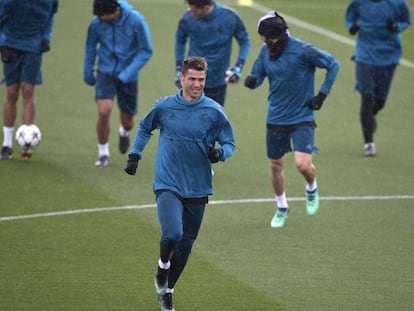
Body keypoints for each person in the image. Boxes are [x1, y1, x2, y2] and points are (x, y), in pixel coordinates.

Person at [124, 57, 235, 311]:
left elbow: (229, 143)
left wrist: (220, 154)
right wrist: (134, 155)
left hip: (198, 185)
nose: (197, 84)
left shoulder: (214, 111)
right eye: (193, 79)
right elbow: (144, 128)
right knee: (172, 233)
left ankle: (168, 291)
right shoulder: (164, 107)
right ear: (182, 78)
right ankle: (163, 265)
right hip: (168, 181)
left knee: (186, 244)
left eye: (202, 80)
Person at [244, 11, 340, 228]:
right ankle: (282, 207)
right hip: (276, 117)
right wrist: (253, 80)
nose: (264, 42)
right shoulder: (265, 51)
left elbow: (333, 64)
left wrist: (321, 95)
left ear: (275, 36)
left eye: (265, 37)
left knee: (302, 165)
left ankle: (311, 187)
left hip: (301, 117)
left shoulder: (303, 50)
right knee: (276, 165)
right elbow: (258, 74)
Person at [83, 0, 153, 167]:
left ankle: (124, 131)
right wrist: (88, 71)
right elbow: (91, 46)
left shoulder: (136, 21)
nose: (101, 19)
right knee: (104, 111)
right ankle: (103, 153)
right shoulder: (97, 23)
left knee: (128, 120)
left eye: (104, 16)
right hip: (105, 72)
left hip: (128, 75)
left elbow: (146, 51)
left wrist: (126, 74)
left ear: (115, 11)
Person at [346, 0, 411, 157]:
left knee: (379, 101)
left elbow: (406, 21)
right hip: (365, 55)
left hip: (389, 55)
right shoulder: (358, 3)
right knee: (367, 97)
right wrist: (353, 27)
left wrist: (396, 27)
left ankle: (370, 115)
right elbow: (350, 19)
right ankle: (369, 143)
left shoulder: (397, 3)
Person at [0, 0, 58, 160]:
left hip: (33, 45)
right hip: (10, 42)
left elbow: (51, 15)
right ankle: (7, 144)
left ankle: (27, 142)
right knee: (11, 92)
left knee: (27, 89)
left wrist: (46, 37)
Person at [174, 0, 250, 106]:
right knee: (189, 120)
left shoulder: (230, 17)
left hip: (217, 82)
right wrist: (179, 69)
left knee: (214, 120)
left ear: (206, 8)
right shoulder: (187, 18)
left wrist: (238, 67)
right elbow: (180, 41)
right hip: (192, 81)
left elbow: (244, 41)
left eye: (195, 11)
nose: (191, 13)